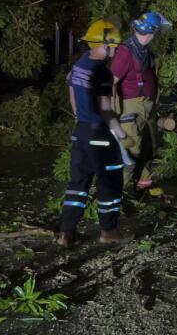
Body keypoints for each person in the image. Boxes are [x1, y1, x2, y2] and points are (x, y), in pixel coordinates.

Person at [58, 19, 128, 248]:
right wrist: (122, 134)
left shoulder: (80, 64)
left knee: (78, 184)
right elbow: (106, 109)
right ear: (103, 44)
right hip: (99, 133)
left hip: (80, 132)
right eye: (114, 45)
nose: (116, 49)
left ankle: (66, 232)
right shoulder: (103, 72)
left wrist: (80, 117)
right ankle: (109, 231)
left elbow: (71, 91)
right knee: (109, 181)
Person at [111, 11, 171, 192]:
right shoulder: (125, 52)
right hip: (131, 106)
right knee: (132, 149)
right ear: (151, 31)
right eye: (156, 32)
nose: (156, 36)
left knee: (150, 144)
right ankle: (119, 191)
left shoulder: (145, 51)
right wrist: (111, 111)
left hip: (148, 105)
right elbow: (110, 81)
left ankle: (144, 181)